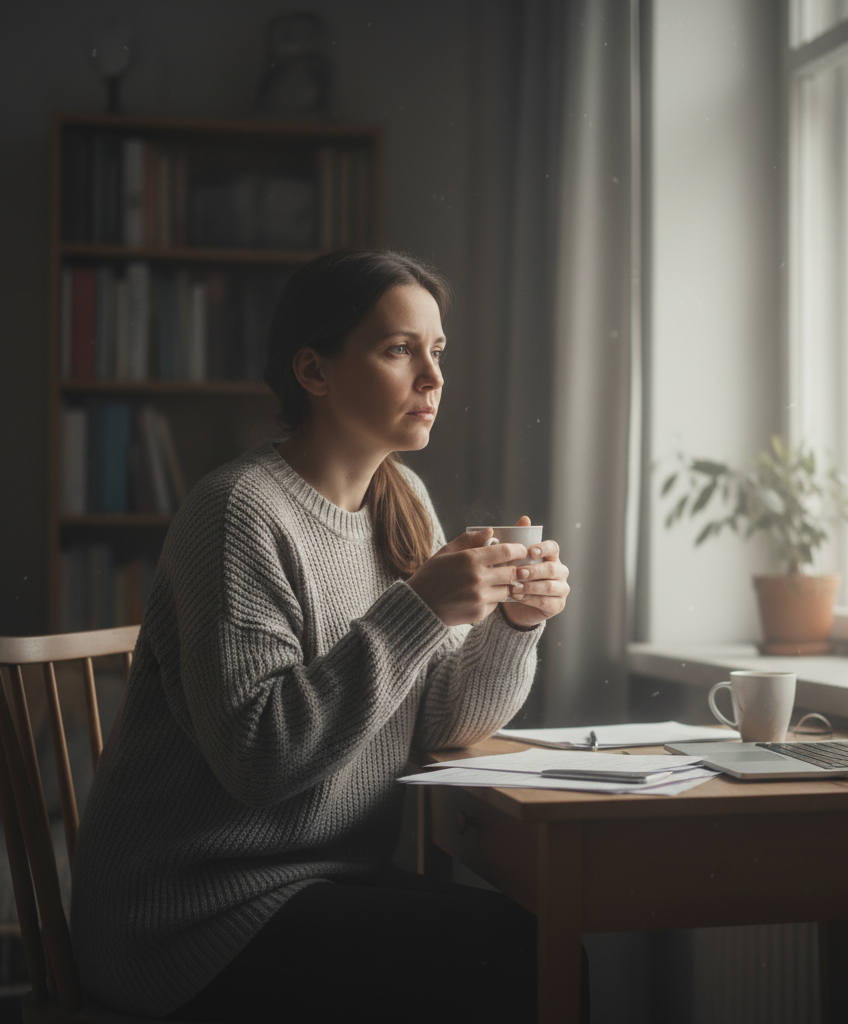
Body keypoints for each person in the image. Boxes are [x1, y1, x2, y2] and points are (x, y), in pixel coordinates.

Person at [70, 249, 574, 1023]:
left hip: (319, 882)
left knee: (546, 943)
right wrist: (420, 610)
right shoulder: (237, 512)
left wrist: (512, 625)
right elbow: (260, 759)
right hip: (189, 916)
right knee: (518, 955)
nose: (434, 378)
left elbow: (437, 723)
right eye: (399, 349)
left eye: (437, 351)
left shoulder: (401, 498)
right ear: (314, 371)